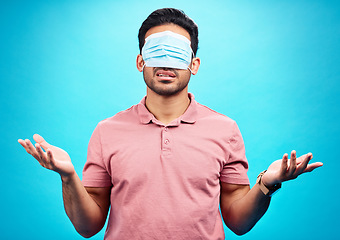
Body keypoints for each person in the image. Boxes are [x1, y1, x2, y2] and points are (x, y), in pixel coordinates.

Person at [18, 8, 323, 240]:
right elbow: (88, 228)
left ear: (194, 64)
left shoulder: (225, 130)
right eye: (156, 52)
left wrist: (268, 183)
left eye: (177, 53)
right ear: (141, 62)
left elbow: (238, 222)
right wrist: (69, 177)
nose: (165, 62)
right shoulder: (106, 131)